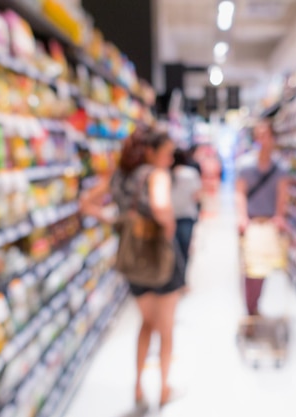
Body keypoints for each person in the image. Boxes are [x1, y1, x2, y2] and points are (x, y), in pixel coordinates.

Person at [80, 129, 183, 408]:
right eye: (167, 153)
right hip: (160, 260)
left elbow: (86, 202)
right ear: (150, 151)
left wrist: (113, 218)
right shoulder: (155, 175)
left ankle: (138, 388)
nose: (170, 159)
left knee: (146, 323)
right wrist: (169, 226)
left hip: (132, 261)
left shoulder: (118, 177)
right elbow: (161, 207)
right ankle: (163, 389)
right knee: (166, 328)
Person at [235, 119, 288, 316]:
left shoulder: (280, 167)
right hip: (251, 222)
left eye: (266, 135)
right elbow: (239, 192)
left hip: (269, 224)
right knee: (249, 269)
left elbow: (282, 194)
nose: (262, 140)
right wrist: (242, 217)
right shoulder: (245, 165)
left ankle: (255, 304)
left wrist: (279, 216)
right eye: (259, 135)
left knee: (263, 268)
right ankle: (250, 307)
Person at [172, 148, 202, 285]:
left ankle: (174, 280)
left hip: (169, 217)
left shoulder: (163, 174)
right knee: (185, 249)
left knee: (172, 249)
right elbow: (197, 195)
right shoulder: (190, 174)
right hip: (187, 215)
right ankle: (182, 281)